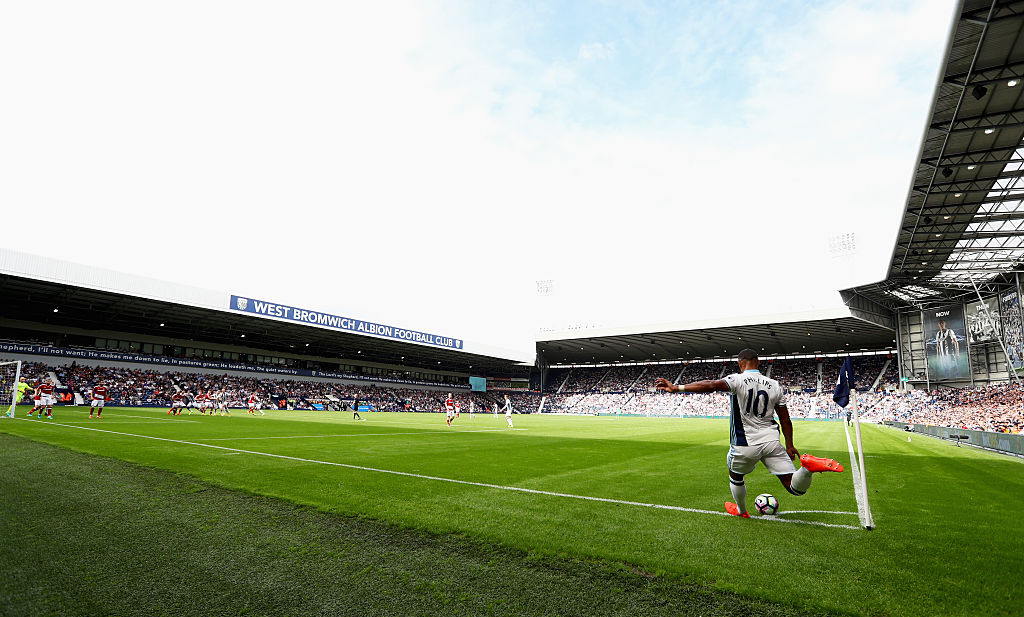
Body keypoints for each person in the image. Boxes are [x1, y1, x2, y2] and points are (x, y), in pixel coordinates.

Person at [655, 348, 844, 518]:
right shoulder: (775, 385)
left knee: (735, 476)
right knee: (794, 488)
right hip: (771, 441)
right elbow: (785, 419)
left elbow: (711, 384)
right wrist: (790, 445)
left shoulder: (737, 379)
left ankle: (741, 510)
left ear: (740, 363)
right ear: (759, 363)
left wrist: (676, 388)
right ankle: (807, 468)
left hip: (745, 443)